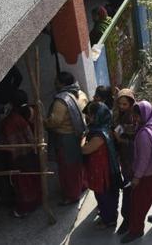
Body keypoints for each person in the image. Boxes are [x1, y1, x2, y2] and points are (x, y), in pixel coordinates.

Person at [120, 101, 152, 244]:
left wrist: (136, 177)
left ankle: (136, 230)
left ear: (144, 114)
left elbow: (143, 159)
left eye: (137, 115)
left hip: (148, 175)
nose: (135, 118)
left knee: (138, 203)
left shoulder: (143, 135)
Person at [44, 72, 88, 206]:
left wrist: (43, 121)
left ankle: (71, 195)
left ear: (62, 84)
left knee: (67, 168)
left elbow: (55, 122)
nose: (55, 85)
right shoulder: (81, 94)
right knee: (78, 164)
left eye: (56, 82)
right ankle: (81, 185)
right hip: (79, 135)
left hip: (65, 139)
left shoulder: (61, 100)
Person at [0, 90, 41, 218]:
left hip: (18, 157)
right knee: (33, 178)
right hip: (31, 153)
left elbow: (8, 143)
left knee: (22, 184)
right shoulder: (32, 110)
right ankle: (36, 200)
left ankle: (25, 207)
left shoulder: (10, 121)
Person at [81, 102, 122, 229]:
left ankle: (108, 220)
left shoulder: (99, 135)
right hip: (108, 168)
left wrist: (82, 139)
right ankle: (110, 216)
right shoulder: (108, 127)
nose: (89, 118)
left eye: (91, 115)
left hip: (102, 171)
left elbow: (85, 150)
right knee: (109, 194)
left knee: (103, 195)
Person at [113, 89, 137, 235]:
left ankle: (129, 220)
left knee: (129, 189)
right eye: (120, 103)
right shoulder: (119, 115)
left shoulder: (133, 117)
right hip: (124, 158)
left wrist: (119, 138)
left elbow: (133, 139)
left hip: (132, 158)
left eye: (125, 104)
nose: (122, 106)